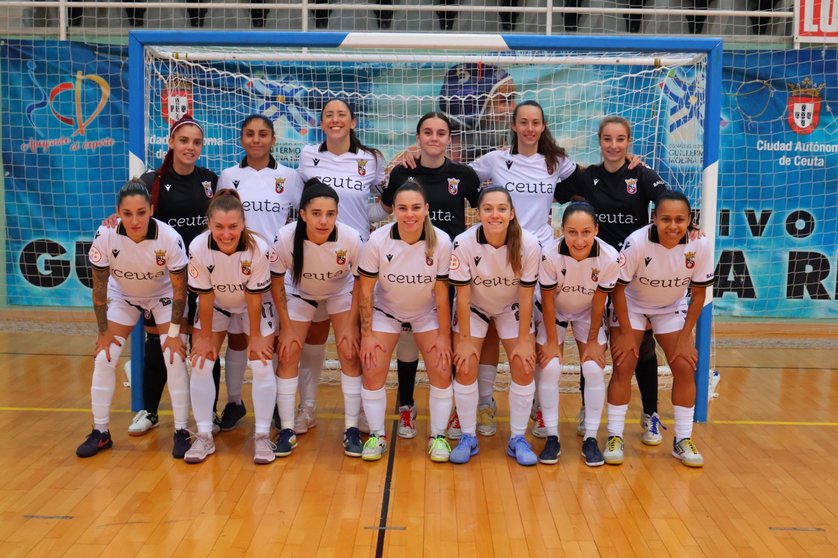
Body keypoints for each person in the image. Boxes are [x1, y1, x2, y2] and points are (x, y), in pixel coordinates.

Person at [556, 115, 668, 445]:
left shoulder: (642, 174)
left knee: (640, 345)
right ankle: (586, 410)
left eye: (620, 139)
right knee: (591, 346)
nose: (614, 145)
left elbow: (669, 201)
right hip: (594, 272)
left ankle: (651, 414)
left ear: (628, 142)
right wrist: (518, 155)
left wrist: (690, 227)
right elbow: (551, 189)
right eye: (608, 139)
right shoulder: (587, 176)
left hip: (633, 274)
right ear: (599, 141)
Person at [381, 112, 481, 439]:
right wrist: (398, 162)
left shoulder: (463, 174)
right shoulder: (404, 171)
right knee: (409, 335)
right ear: (418, 137)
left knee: (449, 336)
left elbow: (485, 208)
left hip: (450, 270)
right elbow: (385, 207)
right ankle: (407, 403)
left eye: (440, 133)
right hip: (410, 270)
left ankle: (452, 408)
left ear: (449, 139)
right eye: (427, 132)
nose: (434, 138)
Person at [293, 98, 386, 436]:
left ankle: (361, 410)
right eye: (329, 115)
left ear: (353, 122)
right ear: (322, 123)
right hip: (315, 257)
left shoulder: (370, 160)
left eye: (341, 115)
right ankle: (308, 409)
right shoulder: (308, 156)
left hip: (356, 261)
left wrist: (363, 225)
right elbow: (300, 206)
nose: (335, 120)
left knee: (356, 338)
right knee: (314, 339)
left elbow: (381, 208)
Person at [77, 180, 190, 458]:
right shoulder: (105, 234)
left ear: (151, 210)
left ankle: (182, 431)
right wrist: (103, 331)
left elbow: (179, 291)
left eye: (141, 212)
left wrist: (174, 333)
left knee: (174, 357)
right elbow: (100, 289)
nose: (135, 220)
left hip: (162, 297)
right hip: (124, 296)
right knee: (104, 356)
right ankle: (100, 432)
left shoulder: (169, 237)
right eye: (127, 214)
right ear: (118, 212)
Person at [126, 114, 220, 438]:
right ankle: (150, 410)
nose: (190, 147)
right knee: (160, 343)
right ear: (171, 143)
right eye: (184, 141)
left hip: (203, 276)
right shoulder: (153, 180)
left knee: (205, 341)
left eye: (196, 142)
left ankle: (210, 414)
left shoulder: (210, 180)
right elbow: (134, 218)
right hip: (165, 279)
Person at [606, 191, 714, 467]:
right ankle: (614, 436)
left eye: (680, 219)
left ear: (690, 220)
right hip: (631, 305)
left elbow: (699, 294)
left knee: (684, 365)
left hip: (670, 308)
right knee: (624, 361)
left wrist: (686, 337)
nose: (673, 226)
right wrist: (628, 333)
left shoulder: (699, 246)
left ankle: (682, 439)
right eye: (665, 219)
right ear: (654, 218)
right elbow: (617, 289)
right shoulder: (638, 242)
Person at [216, 114, 303, 433]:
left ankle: (281, 405)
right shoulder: (228, 176)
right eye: (250, 134)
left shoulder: (289, 176)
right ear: (241, 139)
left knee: (278, 339)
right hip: (236, 270)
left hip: (277, 270)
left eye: (263, 134)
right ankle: (235, 402)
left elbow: (302, 217)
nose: (256, 139)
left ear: (273, 140)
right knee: (238, 339)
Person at [357, 182, 454, 462]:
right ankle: (377, 434)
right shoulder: (378, 241)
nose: (409, 214)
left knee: (441, 365)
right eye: (402, 208)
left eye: (415, 208)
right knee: (372, 364)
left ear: (426, 210)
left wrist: (444, 337)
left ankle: (438, 436)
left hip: (427, 314)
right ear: (394, 211)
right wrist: (367, 335)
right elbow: (365, 290)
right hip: (387, 312)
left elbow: (442, 294)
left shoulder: (442, 242)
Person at [270, 179, 364, 457]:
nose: (324, 221)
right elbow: (276, 283)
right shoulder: (285, 238)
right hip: (300, 291)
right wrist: (285, 327)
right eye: (316, 213)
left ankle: (351, 428)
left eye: (330, 214)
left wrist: (349, 326)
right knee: (288, 353)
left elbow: (361, 282)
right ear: (302, 214)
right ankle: (288, 427)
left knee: (349, 352)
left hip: (340, 292)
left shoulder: (350, 238)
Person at [447, 186, 540, 466]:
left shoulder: (529, 244)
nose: (495, 214)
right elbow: (461, 296)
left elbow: (526, 296)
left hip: (511, 307)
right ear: (478, 213)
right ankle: (467, 436)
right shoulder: (463, 243)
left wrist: (524, 340)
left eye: (502, 209)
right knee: (464, 364)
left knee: (524, 365)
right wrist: (463, 339)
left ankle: (517, 438)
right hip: (474, 306)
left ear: (512, 213)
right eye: (488, 208)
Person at [184, 190, 276, 464]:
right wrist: (204, 339)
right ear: (209, 224)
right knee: (201, 361)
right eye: (219, 227)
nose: (226, 234)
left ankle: (261, 437)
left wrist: (256, 337)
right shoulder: (199, 247)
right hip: (216, 304)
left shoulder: (258, 248)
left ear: (243, 223)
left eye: (233, 226)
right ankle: (203, 436)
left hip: (253, 303)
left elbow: (254, 296)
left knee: (261, 362)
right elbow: (206, 295)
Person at [535, 202, 620, 467]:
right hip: (554, 311)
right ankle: (551, 437)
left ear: (596, 229)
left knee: (594, 369)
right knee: (550, 367)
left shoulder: (609, 257)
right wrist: (551, 341)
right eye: (572, 232)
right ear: (562, 230)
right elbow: (548, 301)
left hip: (586, 313)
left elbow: (599, 303)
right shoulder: (549, 254)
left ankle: (591, 439)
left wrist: (593, 341)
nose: (579, 240)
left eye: (586, 232)